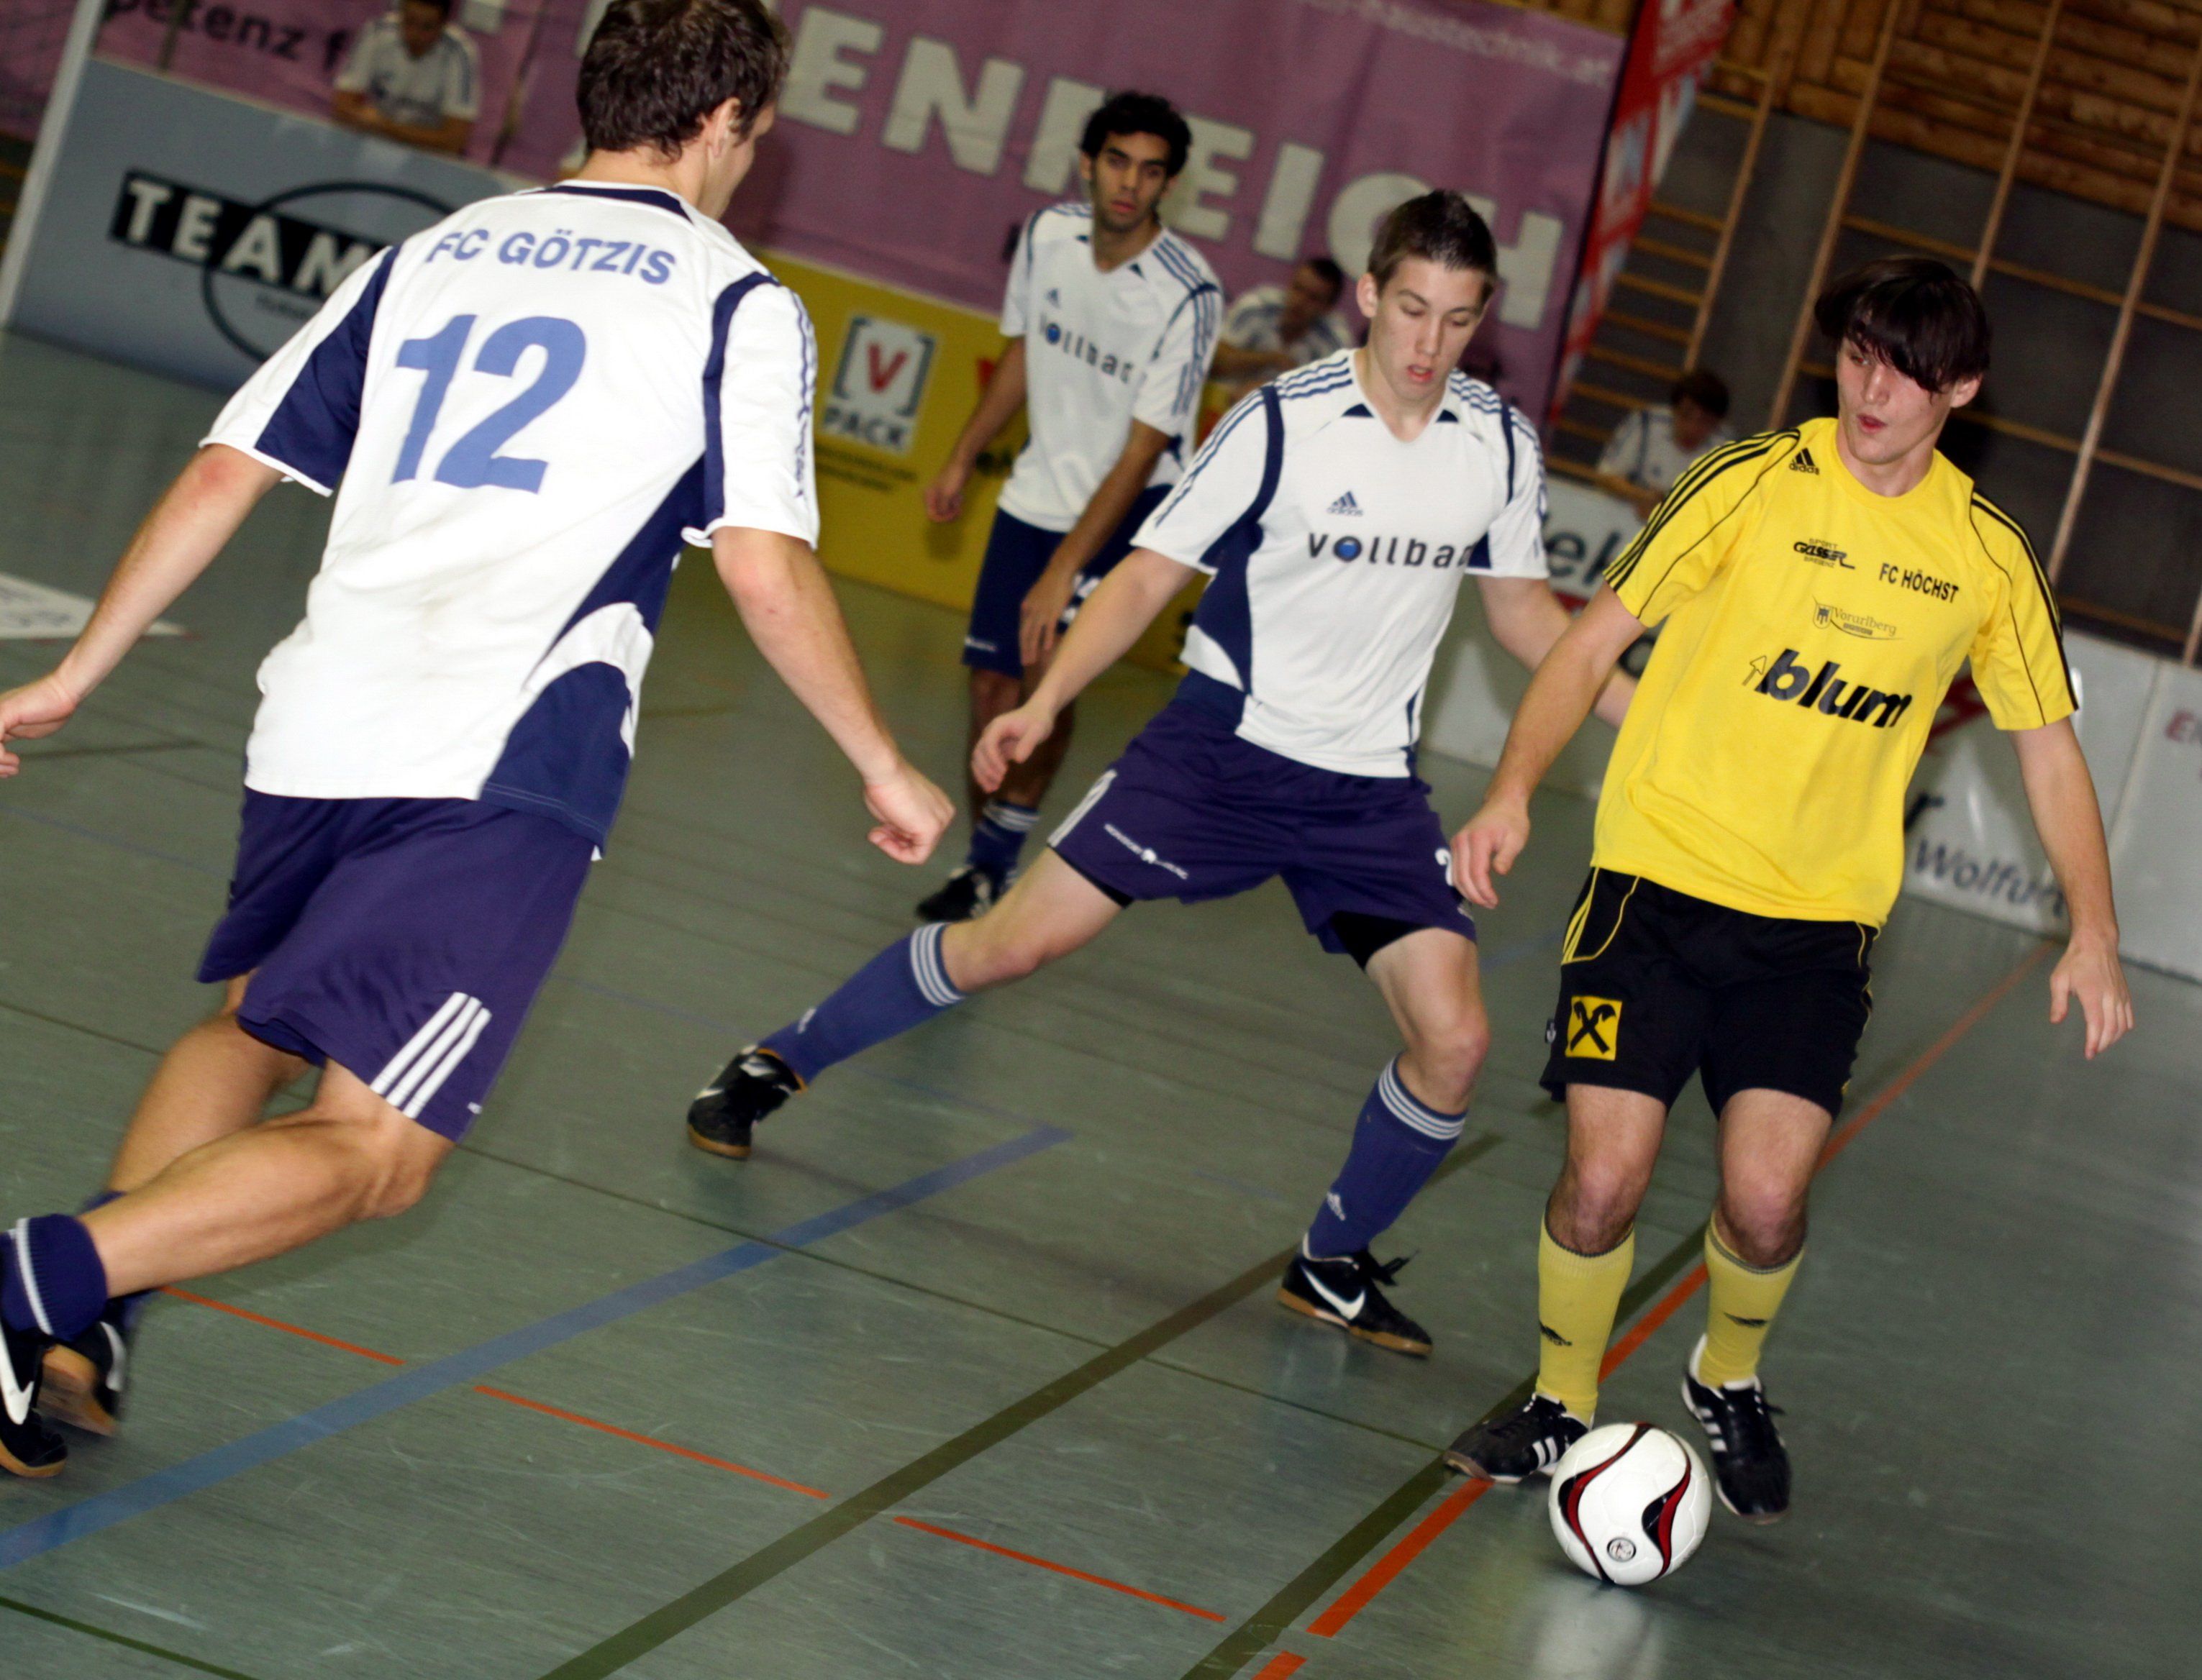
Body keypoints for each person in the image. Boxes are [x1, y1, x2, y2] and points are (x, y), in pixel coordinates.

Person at [0, 0, 950, 1479]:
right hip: (494, 764)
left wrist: (75, 673)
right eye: (758, 135)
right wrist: (883, 761)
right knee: (378, 1154)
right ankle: (38, 1279)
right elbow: (763, 566)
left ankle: (86, 1325)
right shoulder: (736, 301)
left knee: (255, 1023)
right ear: (722, 123)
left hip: (316, 726)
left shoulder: (436, 248)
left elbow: (227, 468)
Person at [686, 193, 1633, 1356]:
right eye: (1412, 309)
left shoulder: (1497, 443)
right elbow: (1145, 576)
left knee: (1458, 1042)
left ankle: (1328, 1262)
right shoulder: (1280, 422)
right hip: (1216, 756)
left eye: (1458, 319)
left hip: (1367, 794)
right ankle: (778, 1060)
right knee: (1008, 946)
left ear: (1483, 320)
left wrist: (1652, 715)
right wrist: (1043, 703)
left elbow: (1530, 618)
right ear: (1369, 296)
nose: (1429, 342)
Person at [1442, 258, 2132, 1519]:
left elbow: (2047, 749)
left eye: (1908, 373)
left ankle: (1728, 1374)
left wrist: (2091, 928)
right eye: (1859, 357)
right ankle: (1560, 1400)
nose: (1873, 391)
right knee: (1601, 1183)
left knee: (1765, 1206)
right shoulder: (1747, 481)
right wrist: (1509, 792)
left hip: (1815, 929)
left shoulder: (1985, 555)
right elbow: (1589, 642)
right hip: (1654, 887)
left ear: (1961, 390)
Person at [914, 92, 1221, 923]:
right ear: (1087, 163)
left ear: (1168, 184)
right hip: (1035, 493)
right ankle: (985, 863)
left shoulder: (1188, 294)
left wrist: (1063, 569)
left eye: (1150, 171)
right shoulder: (1047, 236)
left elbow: (1145, 446)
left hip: (1127, 507)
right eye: (1117, 161)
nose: (1130, 183)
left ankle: (990, 867)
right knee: (989, 685)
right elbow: (1024, 351)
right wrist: (964, 453)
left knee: (1043, 683)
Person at [332, 0, 481, 157]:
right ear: (401, 14)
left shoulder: (460, 53)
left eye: (427, 27)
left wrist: (385, 127)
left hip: (426, 156)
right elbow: (342, 108)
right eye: (409, 21)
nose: (415, 34)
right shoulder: (376, 32)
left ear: (443, 25)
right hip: (373, 146)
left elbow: (454, 140)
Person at [1593, 368, 1732, 519]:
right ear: (1674, 410)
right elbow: (1605, 477)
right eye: (1686, 415)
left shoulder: (1726, 448)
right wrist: (1640, 496)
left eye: (1705, 422)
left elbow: (1726, 508)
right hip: (1625, 516)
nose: (1692, 428)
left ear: (1717, 424)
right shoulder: (1646, 423)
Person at [1210, 256, 1352, 399]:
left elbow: (1334, 400)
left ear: (1328, 308)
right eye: (1298, 289)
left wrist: (1270, 393)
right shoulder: (1256, 307)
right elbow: (1215, 363)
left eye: (1313, 298)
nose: (1300, 301)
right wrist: (1270, 359)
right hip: (1226, 399)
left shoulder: (1335, 342)